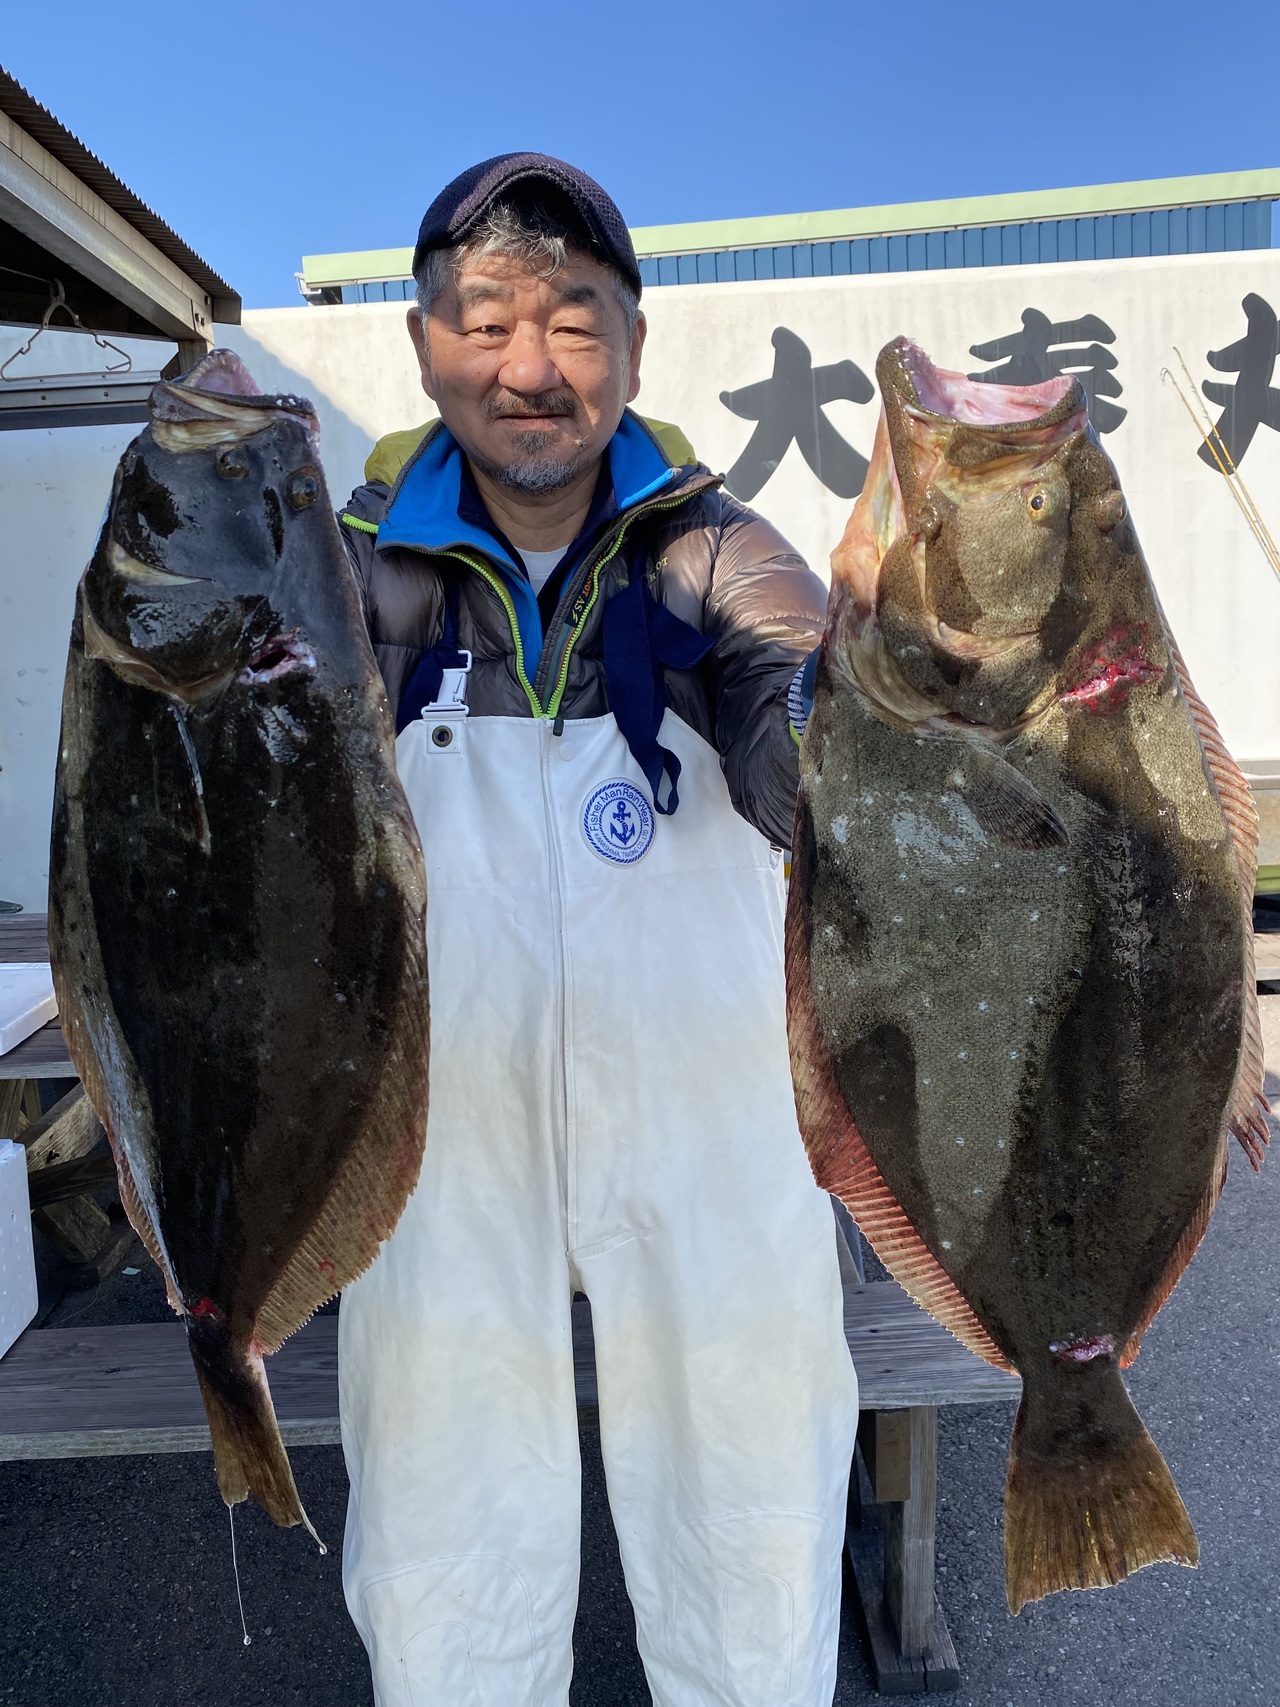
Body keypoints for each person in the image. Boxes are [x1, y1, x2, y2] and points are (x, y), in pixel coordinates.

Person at [337, 152, 858, 1707]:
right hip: (434, 1123)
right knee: (443, 1537)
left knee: (751, 1515)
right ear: (425, 344)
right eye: (486, 318)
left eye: (573, 321)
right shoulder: (347, 574)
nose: (530, 366)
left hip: (712, 1114)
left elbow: (800, 734)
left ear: (636, 347)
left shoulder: (722, 555)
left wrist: (852, 723)